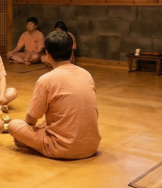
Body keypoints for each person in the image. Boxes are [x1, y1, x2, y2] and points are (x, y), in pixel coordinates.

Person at [7, 31, 100, 159]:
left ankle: (33, 143)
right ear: (71, 53)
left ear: (48, 55)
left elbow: (31, 120)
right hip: (91, 146)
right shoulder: (86, 74)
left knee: (13, 125)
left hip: (61, 148)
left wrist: (25, 136)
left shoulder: (46, 80)